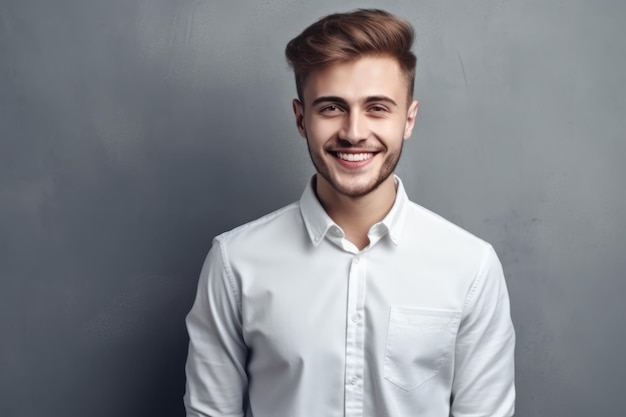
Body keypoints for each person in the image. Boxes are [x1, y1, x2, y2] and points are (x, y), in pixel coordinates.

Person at [184, 8, 515, 417]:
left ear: (408, 119)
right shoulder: (235, 262)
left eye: (377, 108)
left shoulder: (471, 267)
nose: (354, 132)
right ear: (301, 119)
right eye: (331, 108)